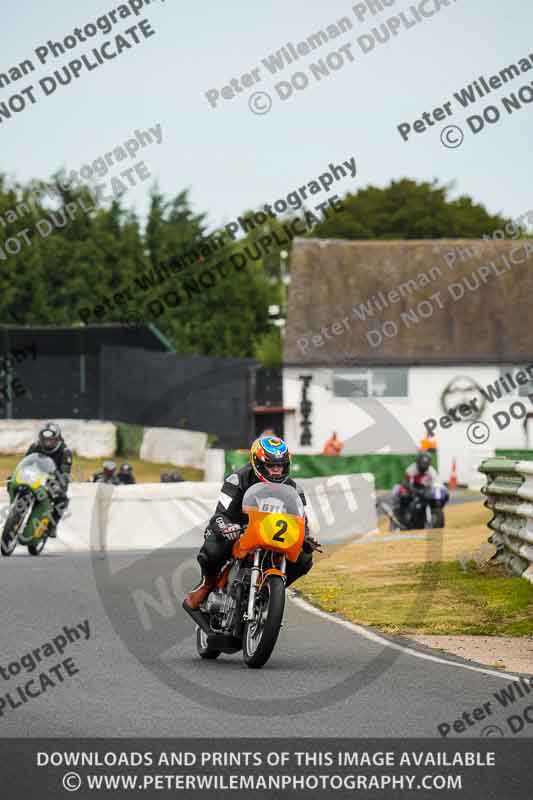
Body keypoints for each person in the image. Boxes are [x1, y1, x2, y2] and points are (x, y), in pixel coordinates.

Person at [184, 436, 321, 610]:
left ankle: (270, 592)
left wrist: (306, 538)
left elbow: (301, 520)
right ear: (258, 463)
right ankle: (207, 584)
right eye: (271, 466)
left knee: (305, 558)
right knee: (214, 544)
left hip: (271, 533)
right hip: (238, 529)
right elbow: (220, 514)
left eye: (280, 466)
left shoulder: (294, 489)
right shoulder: (237, 480)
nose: (276, 471)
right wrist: (226, 527)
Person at [22, 422, 72, 539]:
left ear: (57, 438)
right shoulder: (35, 447)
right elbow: (24, 463)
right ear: (41, 438)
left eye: (51, 439)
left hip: (53, 480)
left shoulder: (65, 452)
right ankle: (15, 515)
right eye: (45, 439)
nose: (48, 442)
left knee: (62, 500)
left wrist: (60, 485)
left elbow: (65, 472)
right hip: (34, 476)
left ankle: (52, 525)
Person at [393, 451, 447, 520]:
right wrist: (413, 490)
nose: (424, 465)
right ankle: (401, 515)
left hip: (425, 489)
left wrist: (440, 489)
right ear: (418, 462)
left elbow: (437, 482)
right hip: (412, 488)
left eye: (426, 463)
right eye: (422, 463)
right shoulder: (411, 469)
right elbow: (405, 482)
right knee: (404, 495)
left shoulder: (432, 471)